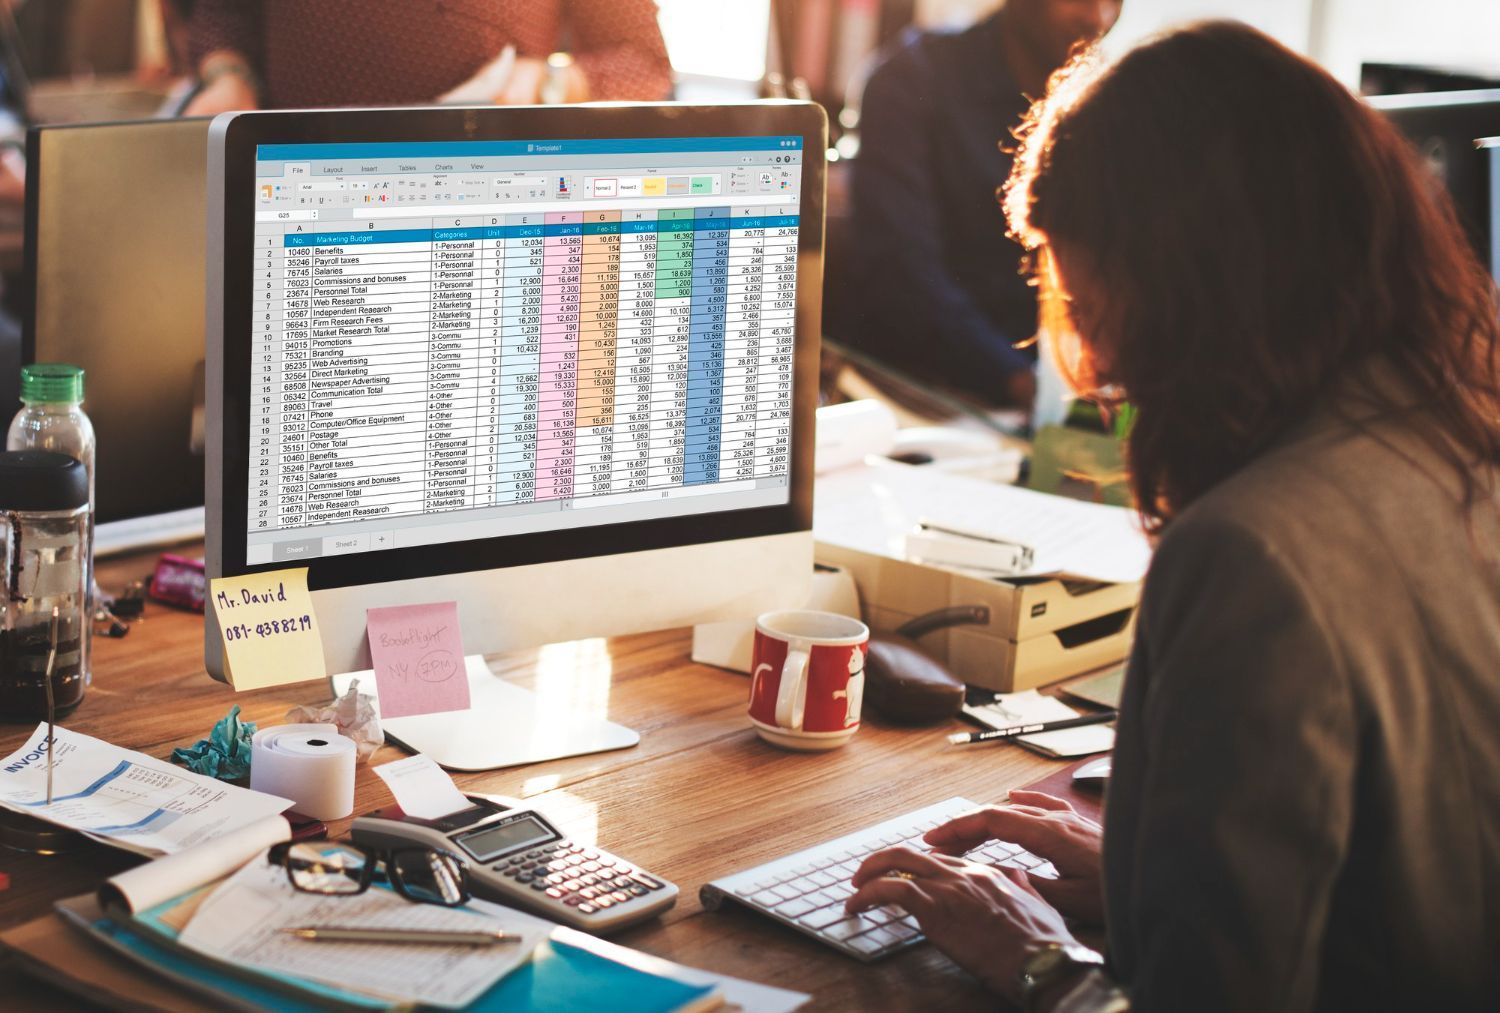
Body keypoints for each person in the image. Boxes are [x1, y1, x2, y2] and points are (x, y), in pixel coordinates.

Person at [845, 20, 1500, 1012]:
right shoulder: (1459, 442)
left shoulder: (1253, 553)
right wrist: (1152, 881)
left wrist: (1033, 957)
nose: (1100, 369)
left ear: (1184, 287)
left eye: (1091, 300)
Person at [842, 0, 1122, 407]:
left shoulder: (1099, 102)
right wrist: (1022, 382)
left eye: (1115, 1)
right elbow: (901, 272)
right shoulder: (913, 77)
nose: (1099, 18)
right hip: (921, 397)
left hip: (1046, 396)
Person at [182, 0, 671, 115]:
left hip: (481, 202)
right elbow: (227, 11)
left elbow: (645, 65)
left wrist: (553, 81)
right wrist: (229, 73)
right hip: (289, 188)